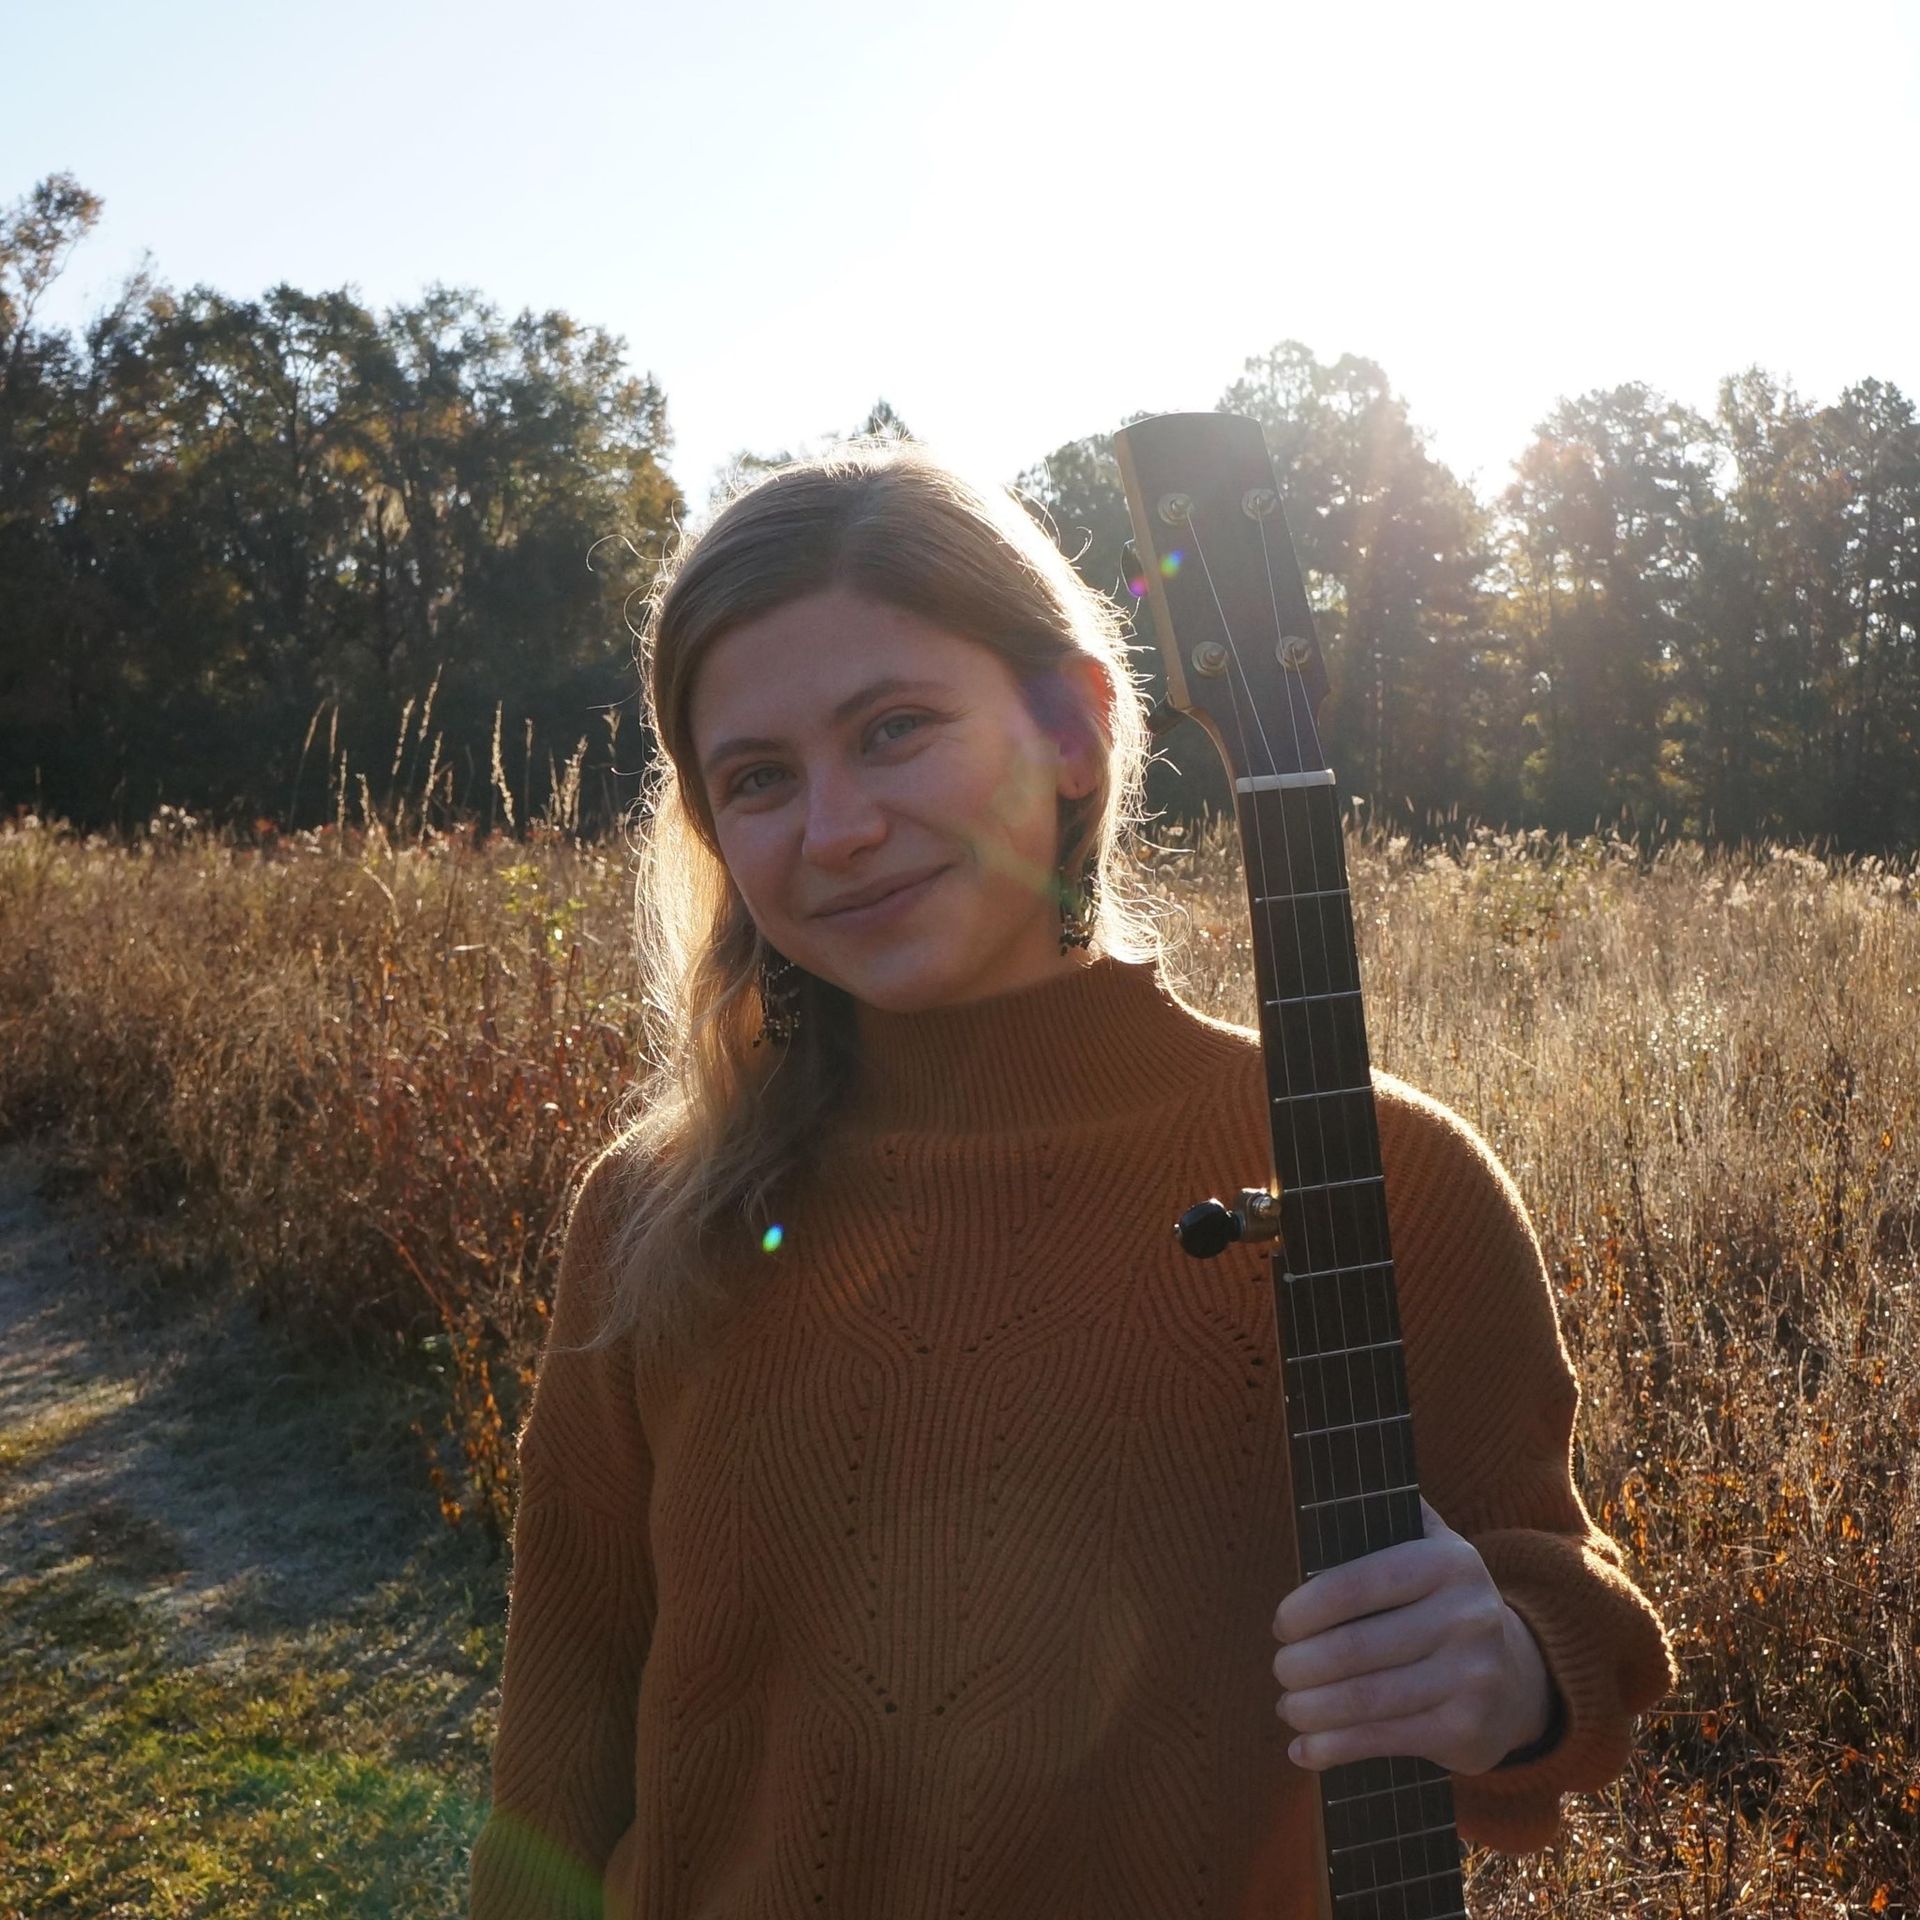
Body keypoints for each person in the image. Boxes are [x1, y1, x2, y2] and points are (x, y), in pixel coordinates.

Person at [467, 442, 1674, 1920]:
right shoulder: (659, 1217)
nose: (834, 828)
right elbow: (565, 1733)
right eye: (761, 778)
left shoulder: (1371, 1168)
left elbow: (1562, 1616)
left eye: (895, 730)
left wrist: (1512, 1678)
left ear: (1075, 734)